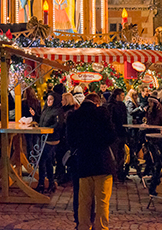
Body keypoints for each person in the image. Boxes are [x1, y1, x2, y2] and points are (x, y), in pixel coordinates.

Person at [67, 92, 116, 230]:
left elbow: (71, 141)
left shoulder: (74, 116)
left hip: (84, 162)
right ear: (97, 102)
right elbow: (112, 136)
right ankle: (101, 227)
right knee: (102, 202)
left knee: (84, 201)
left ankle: (83, 226)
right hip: (102, 163)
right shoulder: (102, 114)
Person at [36, 91, 62, 193]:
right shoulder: (46, 109)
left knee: (43, 160)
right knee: (47, 161)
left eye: (51, 99)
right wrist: (35, 117)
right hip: (44, 138)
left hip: (51, 139)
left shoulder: (57, 111)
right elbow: (42, 121)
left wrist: (46, 130)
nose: (49, 101)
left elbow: (58, 125)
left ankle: (42, 183)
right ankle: (49, 183)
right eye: (48, 99)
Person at [106, 88, 128, 182]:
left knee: (121, 153)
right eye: (122, 95)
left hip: (121, 132)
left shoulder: (121, 105)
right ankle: (114, 173)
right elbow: (111, 120)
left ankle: (120, 172)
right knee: (115, 154)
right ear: (117, 96)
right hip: (116, 133)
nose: (123, 97)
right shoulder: (111, 106)